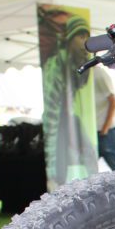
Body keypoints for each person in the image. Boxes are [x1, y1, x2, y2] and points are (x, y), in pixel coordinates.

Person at [40, 12, 98, 189]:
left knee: (89, 154)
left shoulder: (76, 65)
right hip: (57, 121)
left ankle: (96, 189)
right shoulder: (56, 68)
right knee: (59, 167)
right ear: (70, 40)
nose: (84, 43)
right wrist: (50, 170)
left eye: (87, 37)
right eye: (80, 37)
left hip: (69, 117)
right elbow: (51, 117)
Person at [93, 64, 115, 171]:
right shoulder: (83, 75)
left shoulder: (98, 73)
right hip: (95, 131)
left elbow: (113, 102)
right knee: (87, 170)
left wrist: (104, 130)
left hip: (106, 131)